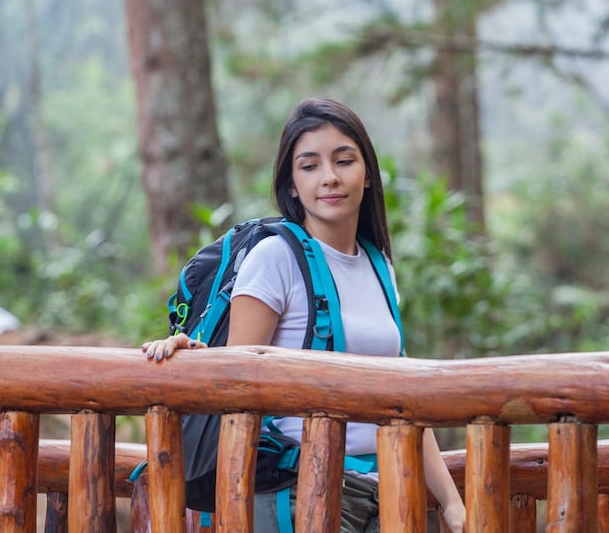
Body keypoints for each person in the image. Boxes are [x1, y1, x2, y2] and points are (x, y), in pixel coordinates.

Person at [142, 97, 467, 533]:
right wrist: (193, 356)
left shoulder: (379, 265)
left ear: (368, 173)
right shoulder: (275, 258)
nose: (329, 177)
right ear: (291, 184)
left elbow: (400, 401)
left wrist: (451, 503)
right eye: (309, 166)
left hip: (387, 493)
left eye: (344, 160)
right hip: (299, 494)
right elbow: (237, 379)